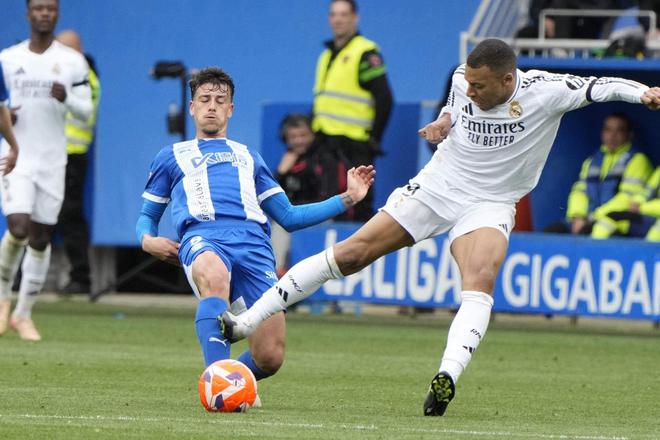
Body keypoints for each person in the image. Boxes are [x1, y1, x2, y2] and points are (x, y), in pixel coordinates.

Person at [221, 38, 660, 416]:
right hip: (440, 186)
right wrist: (445, 120)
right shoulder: (463, 78)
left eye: (481, 86)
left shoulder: (547, 90)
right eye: (469, 82)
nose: (472, 89)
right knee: (352, 254)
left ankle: (446, 376)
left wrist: (643, 94)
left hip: (491, 202)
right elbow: (455, 99)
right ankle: (245, 324)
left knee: (480, 277)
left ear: (508, 80)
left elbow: (602, 86)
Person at [136, 67, 375, 386]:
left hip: (255, 247)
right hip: (204, 237)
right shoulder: (171, 156)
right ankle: (218, 382)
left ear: (231, 109)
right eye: (204, 99)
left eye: (220, 100)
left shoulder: (249, 157)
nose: (212, 106)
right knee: (214, 274)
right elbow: (147, 216)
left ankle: (234, 381)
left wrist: (347, 198)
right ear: (192, 107)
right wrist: (147, 240)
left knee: (269, 356)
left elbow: (289, 217)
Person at [0, 0, 92, 341]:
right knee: (18, 226)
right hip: (17, 157)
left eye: (50, 8)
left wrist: (67, 98)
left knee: (40, 238)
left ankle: (23, 314)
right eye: (38, 8)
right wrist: (7, 117)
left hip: (53, 159)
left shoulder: (72, 61)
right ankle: (2, 300)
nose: (44, 13)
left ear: (57, 13)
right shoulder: (9, 59)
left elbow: (86, 112)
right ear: (28, 14)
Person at [312, 0, 393, 222]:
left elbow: (384, 98)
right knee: (330, 205)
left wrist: (374, 139)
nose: (338, 19)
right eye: (333, 14)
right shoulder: (326, 55)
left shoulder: (365, 53)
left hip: (354, 144)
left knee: (358, 207)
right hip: (327, 142)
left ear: (355, 18)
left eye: (344, 14)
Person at [544, 113, 653, 234]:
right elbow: (579, 191)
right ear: (602, 133)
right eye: (608, 129)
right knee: (552, 231)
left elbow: (627, 198)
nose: (612, 135)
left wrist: (593, 217)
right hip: (586, 220)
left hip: (616, 221)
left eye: (619, 130)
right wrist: (578, 216)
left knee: (591, 231)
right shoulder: (592, 161)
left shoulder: (638, 160)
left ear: (629, 135)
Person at [55, 29, 101, 295]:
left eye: (65, 49)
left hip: (73, 153)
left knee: (70, 214)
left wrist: (65, 98)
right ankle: (22, 277)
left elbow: (86, 113)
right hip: (53, 153)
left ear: (78, 50)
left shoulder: (86, 76)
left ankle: (81, 277)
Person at [271, 113, 323, 278]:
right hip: (292, 217)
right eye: (293, 137)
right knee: (278, 225)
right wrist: (281, 172)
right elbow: (273, 194)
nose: (298, 141)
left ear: (312, 135)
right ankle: (277, 273)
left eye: (303, 135)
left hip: (319, 216)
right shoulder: (288, 160)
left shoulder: (322, 158)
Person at [591, 165, 660, 241]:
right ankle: (595, 245)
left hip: (652, 215)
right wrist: (637, 201)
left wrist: (642, 208)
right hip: (647, 216)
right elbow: (647, 191)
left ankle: (650, 248)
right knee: (611, 217)